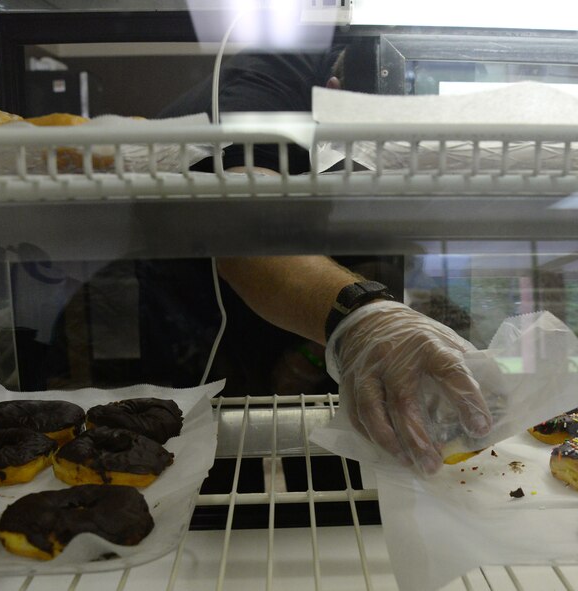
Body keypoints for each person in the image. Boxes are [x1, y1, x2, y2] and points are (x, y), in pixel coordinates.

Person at [154, 48, 493, 475]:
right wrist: (365, 317)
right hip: (211, 302)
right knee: (208, 454)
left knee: (365, 432)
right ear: (332, 97)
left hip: (328, 286)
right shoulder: (265, 81)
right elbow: (244, 229)